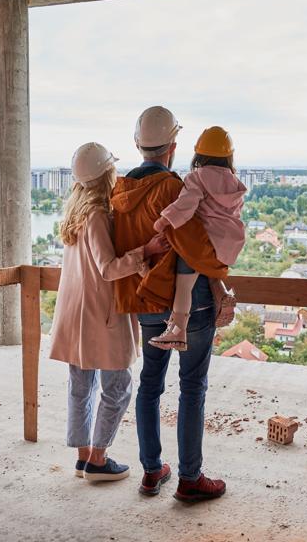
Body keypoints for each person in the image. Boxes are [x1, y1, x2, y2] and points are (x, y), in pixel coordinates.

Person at [110, 106, 229, 503]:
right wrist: (222, 267)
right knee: (192, 388)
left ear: (137, 145)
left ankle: (150, 471)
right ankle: (189, 478)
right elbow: (196, 247)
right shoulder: (174, 187)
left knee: (149, 385)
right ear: (173, 146)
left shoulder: (120, 191)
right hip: (188, 305)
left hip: (146, 301)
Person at [49, 142, 170, 483]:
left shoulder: (74, 213)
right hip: (99, 313)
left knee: (80, 386)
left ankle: (83, 457)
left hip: (74, 313)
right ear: (106, 174)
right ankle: (99, 460)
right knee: (118, 387)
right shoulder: (99, 215)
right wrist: (146, 249)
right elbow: (108, 268)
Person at [148, 126, 246, 351]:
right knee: (207, 268)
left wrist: (163, 221)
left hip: (203, 245)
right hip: (227, 248)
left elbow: (185, 205)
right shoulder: (235, 183)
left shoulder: (197, 177)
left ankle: (178, 331)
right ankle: (221, 292)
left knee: (184, 282)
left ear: (198, 154)